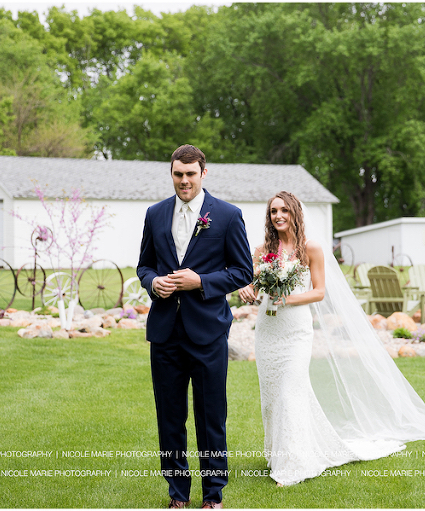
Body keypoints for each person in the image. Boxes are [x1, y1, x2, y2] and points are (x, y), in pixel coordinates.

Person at [239, 191, 425, 487]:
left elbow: (319, 292)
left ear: (295, 213)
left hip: (295, 329)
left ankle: (294, 463)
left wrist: (289, 299)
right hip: (268, 330)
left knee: (290, 392)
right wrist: (247, 289)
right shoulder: (262, 250)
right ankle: (280, 455)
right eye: (273, 211)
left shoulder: (311, 248)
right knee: (272, 397)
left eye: (284, 210)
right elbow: (253, 285)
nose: (278, 216)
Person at [137, 144, 253, 509]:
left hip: (208, 332)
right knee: (170, 417)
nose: (184, 181)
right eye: (178, 174)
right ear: (171, 174)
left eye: (190, 174)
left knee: (210, 416)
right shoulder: (155, 214)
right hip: (165, 332)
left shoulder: (228, 215)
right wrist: (153, 283)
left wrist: (200, 281)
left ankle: (213, 495)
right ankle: (178, 494)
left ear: (204, 173)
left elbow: (242, 272)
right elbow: (144, 266)